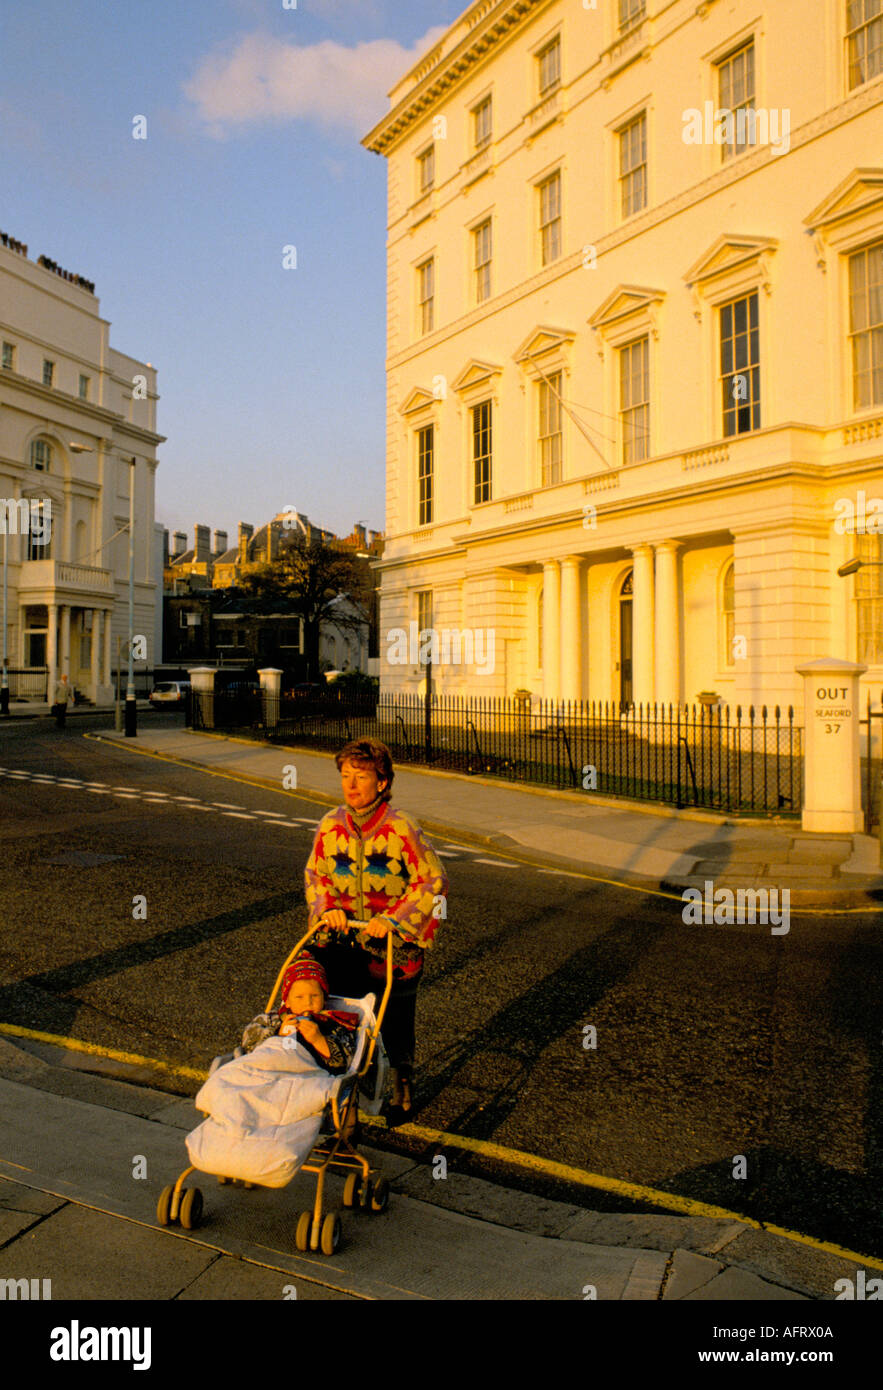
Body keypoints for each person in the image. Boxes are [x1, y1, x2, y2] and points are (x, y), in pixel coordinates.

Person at [304, 737, 448, 1125]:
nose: (351, 786)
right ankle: (342, 1088)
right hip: (344, 939)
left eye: (361, 777)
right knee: (341, 1013)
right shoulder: (331, 824)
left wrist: (395, 920)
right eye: (346, 776)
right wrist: (327, 909)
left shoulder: (402, 828)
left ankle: (402, 1079)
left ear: (382, 783)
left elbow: (432, 880)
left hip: (393, 945)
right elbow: (316, 874)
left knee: (395, 1017)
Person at [240, 957, 358, 1076]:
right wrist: (278, 1036)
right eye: (299, 997)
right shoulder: (273, 1019)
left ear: (324, 999)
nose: (308, 1002)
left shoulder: (333, 1024)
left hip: (308, 1077)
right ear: (287, 1001)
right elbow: (248, 1045)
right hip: (269, 1072)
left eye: (315, 996)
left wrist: (319, 1040)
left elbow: (347, 1062)